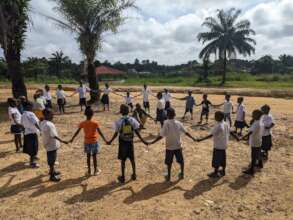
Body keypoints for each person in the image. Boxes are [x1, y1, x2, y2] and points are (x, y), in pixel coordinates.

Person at [149, 108, 196, 181]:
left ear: (167, 115)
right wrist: (193, 138)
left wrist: (152, 142)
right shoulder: (179, 123)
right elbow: (186, 132)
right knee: (181, 161)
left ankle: (169, 176)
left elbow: (161, 136)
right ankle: (182, 173)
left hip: (169, 147)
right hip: (178, 146)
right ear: (175, 115)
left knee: (169, 162)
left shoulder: (166, 123)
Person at [107, 104, 148, 183]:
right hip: (130, 142)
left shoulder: (119, 121)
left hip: (122, 142)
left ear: (121, 112)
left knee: (123, 160)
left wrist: (110, 141)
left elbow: (116, 133)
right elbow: (137, 131)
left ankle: (123, 177)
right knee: (132, 159)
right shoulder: (132, 120)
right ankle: (134, 174)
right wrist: (143, 141)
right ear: (128, 111)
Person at [197, 111, 239, 178]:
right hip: (224, 144)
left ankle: (216, 172)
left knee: (216, 159)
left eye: (215, 116)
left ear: (219, 117)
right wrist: (236, 137)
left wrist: (200, 139)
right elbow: (231, 132)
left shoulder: (218, 126)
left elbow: (211, 135)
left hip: (218, 145)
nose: (214, 117)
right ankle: (223, 170)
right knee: (223, 158)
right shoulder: (226, 124)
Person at [70, 106, 108, 176]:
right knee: (94, 156)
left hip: (87, 142)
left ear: (85, 114)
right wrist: (105, 140)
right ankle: (96, 170)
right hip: (94, 141)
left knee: (88, 156)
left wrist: (72, 139)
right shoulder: (95, 123)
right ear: (92, 114)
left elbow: (77, 132)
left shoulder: (83, 123)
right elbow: (100, 132)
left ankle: (89, 171)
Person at [40, 109, 68, 182]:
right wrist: (63, 141)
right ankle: (52, 176)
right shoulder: (49, 124)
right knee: (52, 160)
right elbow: (53, 135)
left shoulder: (42, 122)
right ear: (47, 115)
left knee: (51, 158)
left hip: (47, 143)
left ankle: (52, 171)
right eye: (51, 114)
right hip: (51, 144)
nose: (53, 115)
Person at [241, 110, 263, 176]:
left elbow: (251, 132)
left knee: (253, 156)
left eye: (253, 114)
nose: (252, 115)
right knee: (258, 152)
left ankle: (251, 169)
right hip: (258, 140)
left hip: (255, 141)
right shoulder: (257, 122)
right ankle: (260, 163)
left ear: (257, 115)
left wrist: (243, 137)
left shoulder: (257, 123)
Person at [21, 101, 41, 168]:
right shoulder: (30, 114)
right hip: (32, 133)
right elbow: (35, 123)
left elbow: (22, 124)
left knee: (30, 147)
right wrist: (40, 130)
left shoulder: (23, 114)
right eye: (31, 106)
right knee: (33, 147)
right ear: (28, 106)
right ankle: (32, 163)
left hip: (27, 133)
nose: (32, 107)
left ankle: (33, 158)